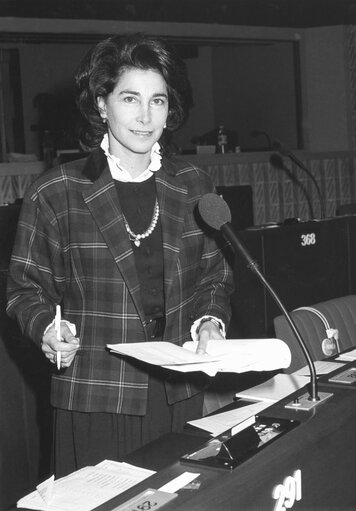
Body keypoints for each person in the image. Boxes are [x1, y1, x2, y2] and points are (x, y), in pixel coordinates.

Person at [7, 33, 234, 478]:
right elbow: (23, 290)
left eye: (159, 101)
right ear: (101, 104)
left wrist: (210, 320)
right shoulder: (56, 191)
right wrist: (47, 330)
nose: (146, 117)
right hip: (94, 395)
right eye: (130, 98)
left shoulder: (195, 186)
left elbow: (215, 276)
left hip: (176, 391)